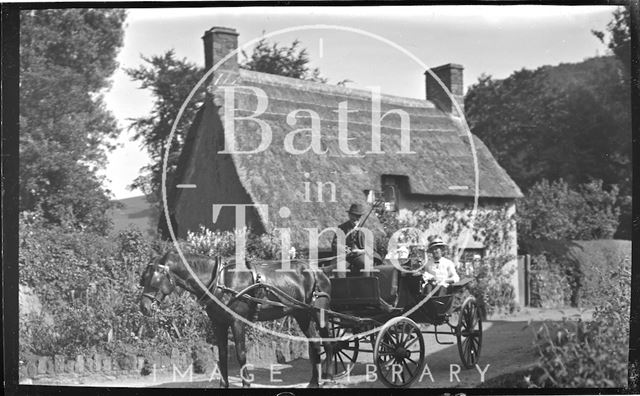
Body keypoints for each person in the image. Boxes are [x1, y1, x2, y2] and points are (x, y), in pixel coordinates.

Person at [331, 203, 368, 275]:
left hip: (360, 256)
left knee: (366, 264)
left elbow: (372, 249)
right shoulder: (341, 228)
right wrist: (347, 250)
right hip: (345, 257)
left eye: (358, 217)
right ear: (349, 215)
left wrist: (360, 251)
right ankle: (341, 286)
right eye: (353, 216)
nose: (356, 219)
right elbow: (335, 244)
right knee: (339, 267)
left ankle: (365, 285)